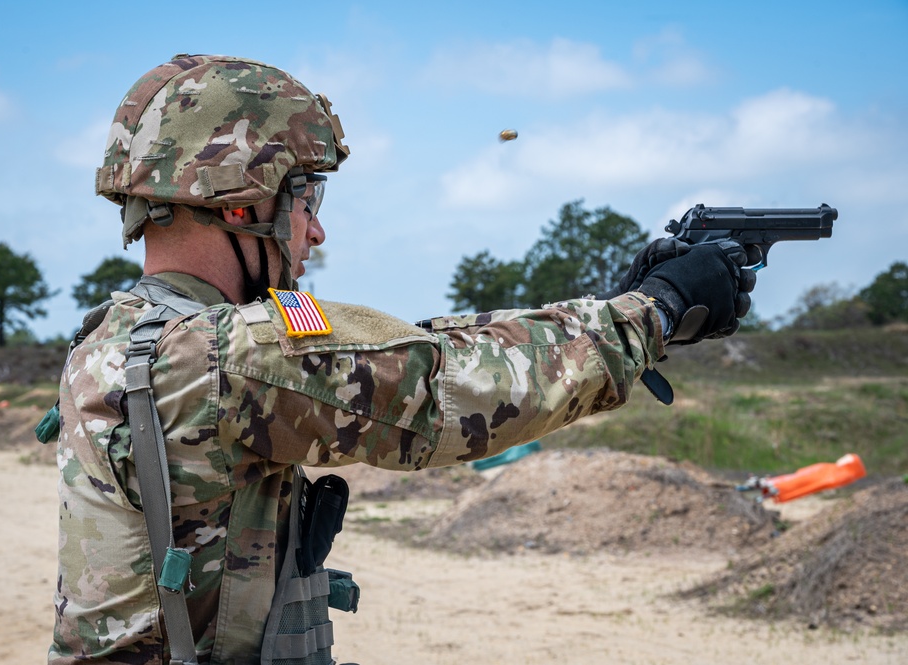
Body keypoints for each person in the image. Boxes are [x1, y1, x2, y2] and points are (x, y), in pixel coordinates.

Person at [48, 54, 755, 665]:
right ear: (240, 207)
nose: (316, 230)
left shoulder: (121, 333)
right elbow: (444, 387)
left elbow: (399, 348)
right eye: (305, 198)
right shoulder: (226, 357)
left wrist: (608, 304)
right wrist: (656, 313)